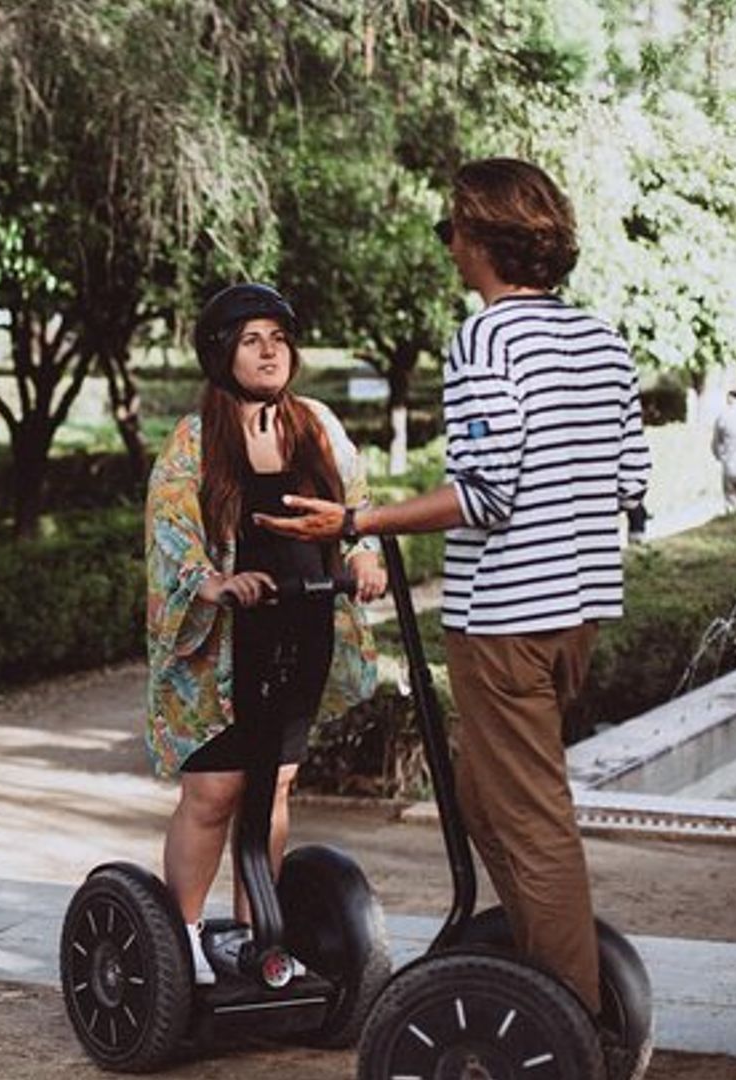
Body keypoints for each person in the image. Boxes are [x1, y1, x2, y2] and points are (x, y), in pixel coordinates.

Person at [257, 158, 651, 1015]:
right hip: (576, 611)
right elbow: (629, 480)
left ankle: (568, 1018)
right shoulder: (603, 341)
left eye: (452, 230)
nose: (448, 246)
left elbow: (484, 493)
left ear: (483, 239)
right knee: (480, 792)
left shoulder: (486, 340)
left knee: (530, 822)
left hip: (507, 617)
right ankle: (539, 959)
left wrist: (354, 524)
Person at [145, 282, 384, 985]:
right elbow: (169, 527)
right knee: (215, 791)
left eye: (277, 337)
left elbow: (357, 502)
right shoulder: (195, 438)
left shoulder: (314, 423)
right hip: (222, 644)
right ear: (223, 355)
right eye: (251, 340)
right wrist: (211, 581)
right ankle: (183, 941)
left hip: (301, 622)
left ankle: (258, 935)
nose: (269, 350)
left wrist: (364, 552)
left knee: (274, 787)